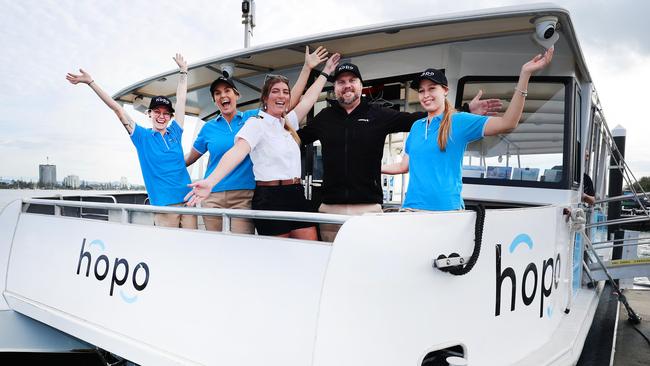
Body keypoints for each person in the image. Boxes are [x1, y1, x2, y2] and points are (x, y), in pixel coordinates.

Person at [297, 63, 503, 241]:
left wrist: (464, 109)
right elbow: (297, 140)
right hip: (330, 208)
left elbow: (420, 118)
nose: (347, 85)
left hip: (369, 209)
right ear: (336, 88)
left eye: (352, 80)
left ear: (361, 85)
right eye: (341, 82)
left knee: (370, 264)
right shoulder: (324, 117)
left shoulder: (377, 113)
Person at [185, 54, 342, 240]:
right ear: (266, 98)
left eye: (285, 92)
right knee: (278, 256)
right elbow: (237, 152)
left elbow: (308, 99)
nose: (281, 95)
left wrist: (325, 72)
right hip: (270, 197)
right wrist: (211, 181)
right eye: (275, 91)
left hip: (296, 193)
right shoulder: (255, 123)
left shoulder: (289, 122)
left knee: (310, 249)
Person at [381, 48, 554, 211]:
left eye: (432, 88)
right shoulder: (416, 127)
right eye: (421, 90)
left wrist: (525, 75)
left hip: (446, 211)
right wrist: (372, 167)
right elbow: (404, 166)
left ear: (445, 90)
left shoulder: (458, 121)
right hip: (412, 208)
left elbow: (508, 122)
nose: (425, 95)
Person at [66, 54, 197, 229]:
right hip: (165, 206)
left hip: (189, 200)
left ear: (170, 117)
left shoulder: (175, 132)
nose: (161, 116)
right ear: (149, 114)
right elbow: (117, 109)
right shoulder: (142, 137)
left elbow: (181, 99)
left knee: (192, 247)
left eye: (166, 113)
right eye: (157, 112)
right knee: (169, 250)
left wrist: (183, 72)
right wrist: (91, 82)